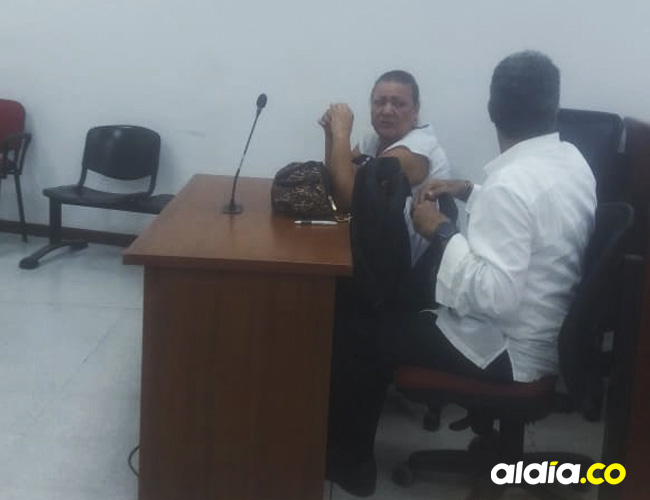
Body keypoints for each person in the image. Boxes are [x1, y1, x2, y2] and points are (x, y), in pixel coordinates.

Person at [326, 51, 597, 497]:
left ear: (491, 110)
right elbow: (533, 215)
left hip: (507, 350)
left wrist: (442, 231)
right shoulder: (570, 160)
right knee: (390, 317)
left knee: (359, 333)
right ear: (554, 106)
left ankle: (350, 467)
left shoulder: (512, 184)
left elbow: (494, 297)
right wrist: (469, 189)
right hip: (550, 333)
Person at [319, 70, 451, 266]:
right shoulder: (373, 138)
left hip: (404, 271)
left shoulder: (416, 150)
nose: (387, 111)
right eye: (379, 102)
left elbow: (348, 199)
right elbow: (338, 183)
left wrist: (341, 134)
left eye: (399, 104)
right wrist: (330, 135)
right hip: (375, 250)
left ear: (415, 111)